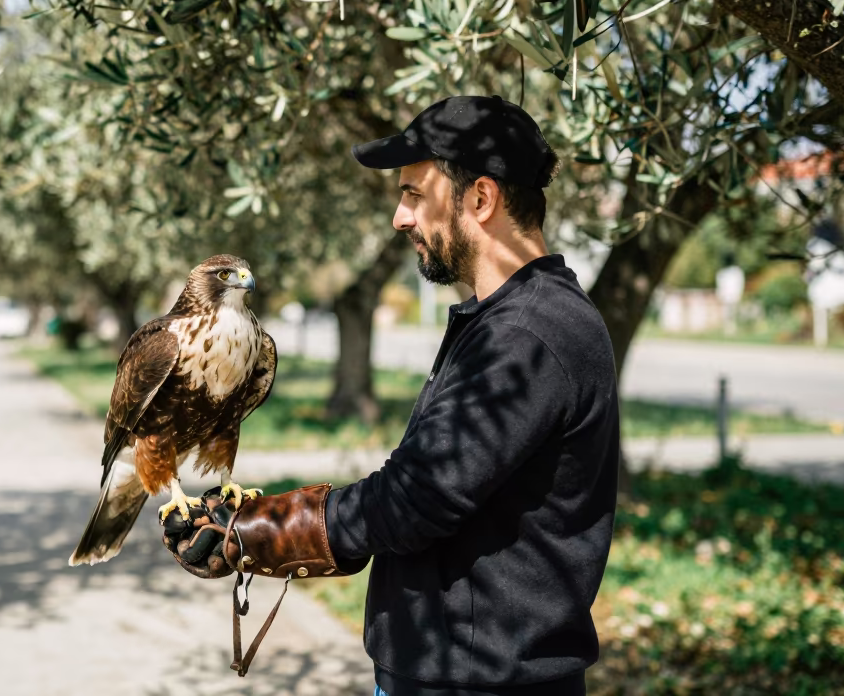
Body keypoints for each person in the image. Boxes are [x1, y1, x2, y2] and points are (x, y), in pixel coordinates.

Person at [163, 95, 620, 696]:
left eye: (413, 194)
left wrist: (258, 531)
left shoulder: (528, 335)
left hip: (478, 682)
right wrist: (255, 526)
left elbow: (416, 497)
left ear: (480, 199)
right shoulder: (511, 319)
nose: (400, 218)